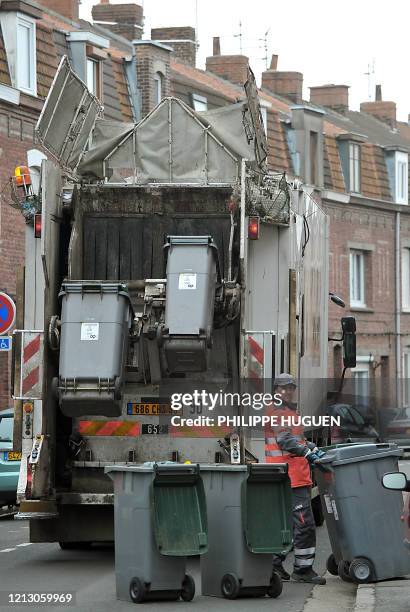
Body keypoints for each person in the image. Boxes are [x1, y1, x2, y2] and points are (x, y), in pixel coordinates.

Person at [265, 373, 326, 585]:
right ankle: (302, 569)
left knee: (289, 525)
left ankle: (274, 563)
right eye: (284, 387)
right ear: (276, 390)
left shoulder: (288, 411)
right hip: (290, 477)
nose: (288, 391)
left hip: (292, 475)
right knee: (305, 525)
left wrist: (311, 446)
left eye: (291, 387)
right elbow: (285, 441)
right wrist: (306, 452)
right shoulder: (280, 411)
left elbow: (296, 439)